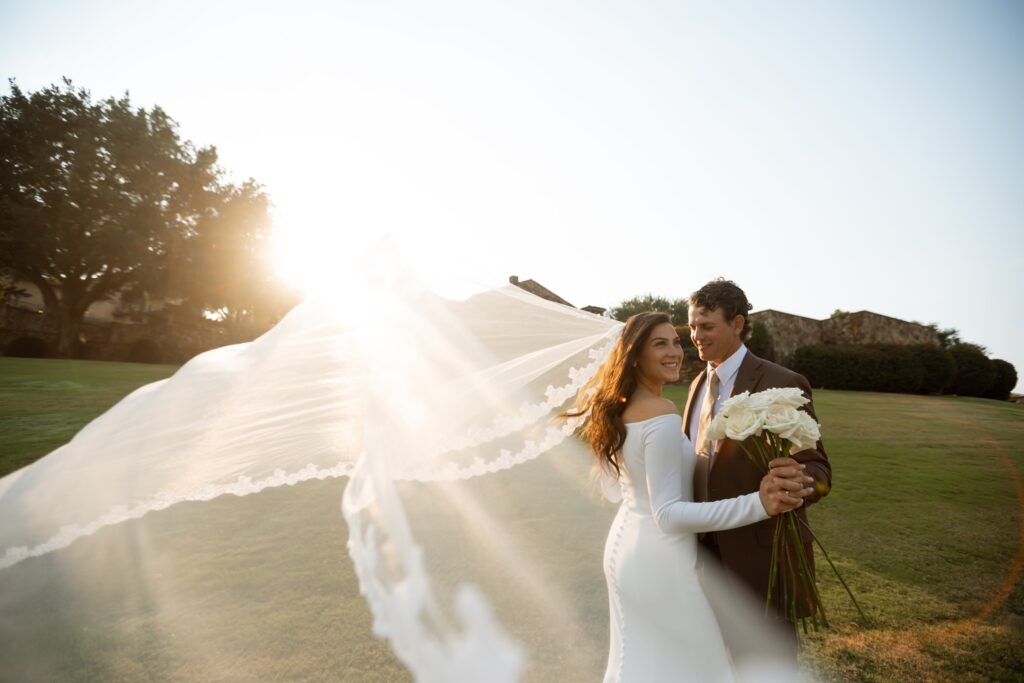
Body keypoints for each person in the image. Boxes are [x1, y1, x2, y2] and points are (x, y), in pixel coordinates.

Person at [566, 311, 813, 683]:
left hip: (626, 547)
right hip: (662, 559)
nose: (676, 351)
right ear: (634, 355)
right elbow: (667, 513)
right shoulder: (662, 414)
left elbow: (630, 488)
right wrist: (758, 504)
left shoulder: (622, 408)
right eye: (660, 343)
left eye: (676, 341)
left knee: (640, 663)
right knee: (700, 669)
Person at [685, 279, 832, 666]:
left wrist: (795, 482)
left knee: (767, 666)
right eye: (692, 326)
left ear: (737, 324)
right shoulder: (698, 383)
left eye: (706, 326)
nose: (696, 337)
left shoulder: (781, 382)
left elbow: (818, 468)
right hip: (701, 556)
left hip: (761, 559)